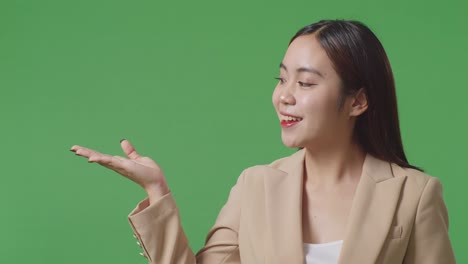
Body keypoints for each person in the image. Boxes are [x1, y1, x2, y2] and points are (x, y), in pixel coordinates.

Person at [70, 20, 456, 263]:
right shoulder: (255, 186)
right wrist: (157, 191)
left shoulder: (414, 194)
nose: (284, 96)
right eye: (282, 79)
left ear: (358, 100)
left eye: (304, 83)